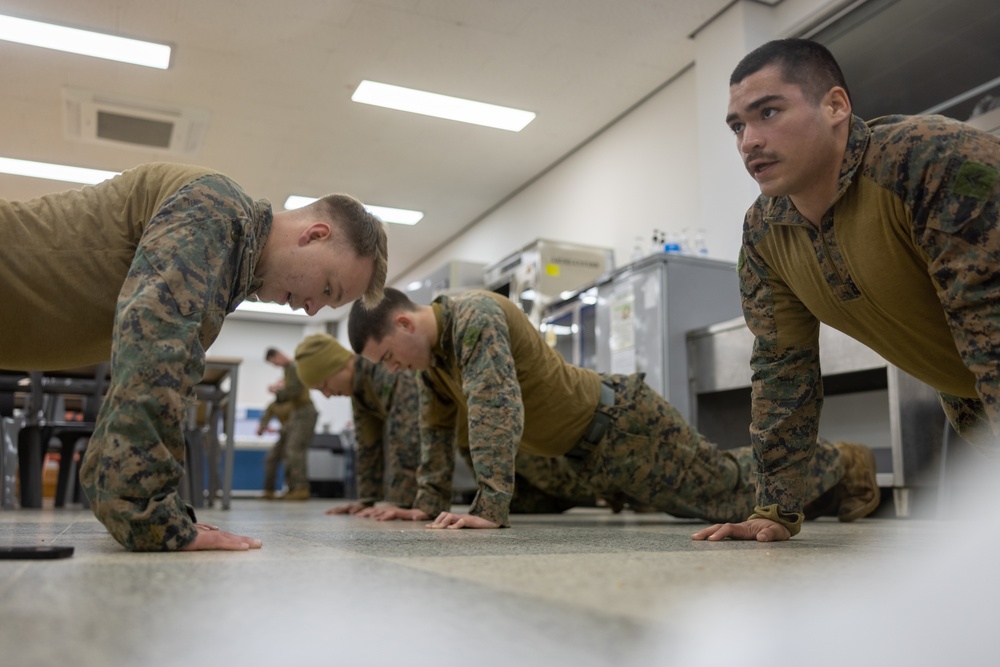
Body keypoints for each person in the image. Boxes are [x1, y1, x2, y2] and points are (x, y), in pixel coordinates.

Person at [695, 38, 1000, 543]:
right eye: (738, 126)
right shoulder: (766, 232)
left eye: (768, 112)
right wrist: (774, 510)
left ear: (835, 105)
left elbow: (992, 318)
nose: (748, 141)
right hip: (970, 392)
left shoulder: (927, 159)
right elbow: (781, 369)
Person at [0, 162, 388, 551]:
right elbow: (157, 342)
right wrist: (152, 518)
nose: (312, 309)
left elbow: (171, 359)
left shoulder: (233, 259)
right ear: (315, 235)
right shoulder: (218, 210)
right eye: (326, 288)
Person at [345, 288, 879, 530]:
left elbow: (495, 406)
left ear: (405, 324)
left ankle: (847, 461)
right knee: (706, 498)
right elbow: (435, 430)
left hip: (623, 426)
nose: (393, 370)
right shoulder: (434, 361)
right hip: (581, 455)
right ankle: (832, 482)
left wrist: (489, 508)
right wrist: (424, 501)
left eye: (389, 357)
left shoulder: (473, 316)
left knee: (727, 495)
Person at [293, 333, 601, 517]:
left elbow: (407, 438)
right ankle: (586, 499)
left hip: (493, 429)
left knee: (552, 477)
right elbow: (368, 446)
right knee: (521, 502)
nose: (327, 394)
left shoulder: (384, 371)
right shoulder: (360, 392)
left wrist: (399, 503)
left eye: (324, 384)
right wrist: (366, 499)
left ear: (340, 365)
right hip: (466, 437)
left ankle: (608, 493)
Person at [261, 348, 318, 500]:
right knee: (289, 451)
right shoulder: (289, 369)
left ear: (278, 356)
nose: (276, 366)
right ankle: (293, 488)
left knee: (294, 450)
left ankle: (300, 488)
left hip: (304, 411)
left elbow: (294, 391)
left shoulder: (293, 367)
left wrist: (277, 392)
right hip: (298, 412)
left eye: (274, 363)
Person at [256, 397, 294, 499]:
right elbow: (266, 416)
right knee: (271, 459)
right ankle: (269, 491)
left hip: (294, 435)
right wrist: (261, 427)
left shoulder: (295, 403)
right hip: (283, 436)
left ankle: (293, 490)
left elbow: (296, 423)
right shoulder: (274, 405)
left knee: (291, 461)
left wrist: (278, 430)